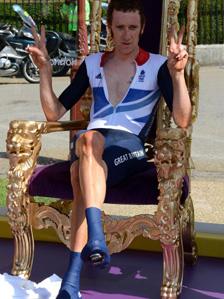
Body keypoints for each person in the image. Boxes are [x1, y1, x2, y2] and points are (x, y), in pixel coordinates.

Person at [27, 0, 192, 298]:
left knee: (86, 146)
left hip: (132, 149)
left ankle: (92, 243)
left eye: (132, 28)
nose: (126, 35)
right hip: (96, 151)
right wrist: (45, 71)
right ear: (109, 29)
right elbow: (54, 113)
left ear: (142, 28)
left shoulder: (157, 65)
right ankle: (72, 279)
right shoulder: (92, 64)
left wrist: (178, 75)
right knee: (81, 164)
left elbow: (182, 118)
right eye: (119, 27)